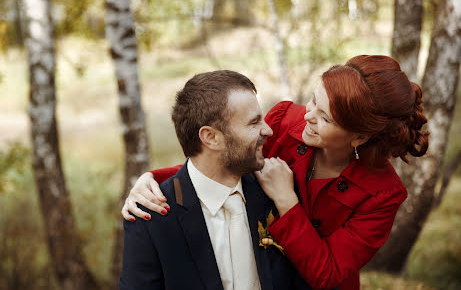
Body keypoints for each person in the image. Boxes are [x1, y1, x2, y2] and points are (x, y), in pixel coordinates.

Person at [122, 55, 429, 290]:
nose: (307, 114)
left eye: (324, 117)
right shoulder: (285, 122)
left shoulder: (383, 192)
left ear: (359, 137)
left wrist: (286, 201)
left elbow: (330, 274)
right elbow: (228, 158)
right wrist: (155, 179)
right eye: (313, 100)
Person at [119, 70, 312, 290]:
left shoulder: (279, 191)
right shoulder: (152, 219)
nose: (268, 130)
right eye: (254, 122)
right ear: (211, 137)